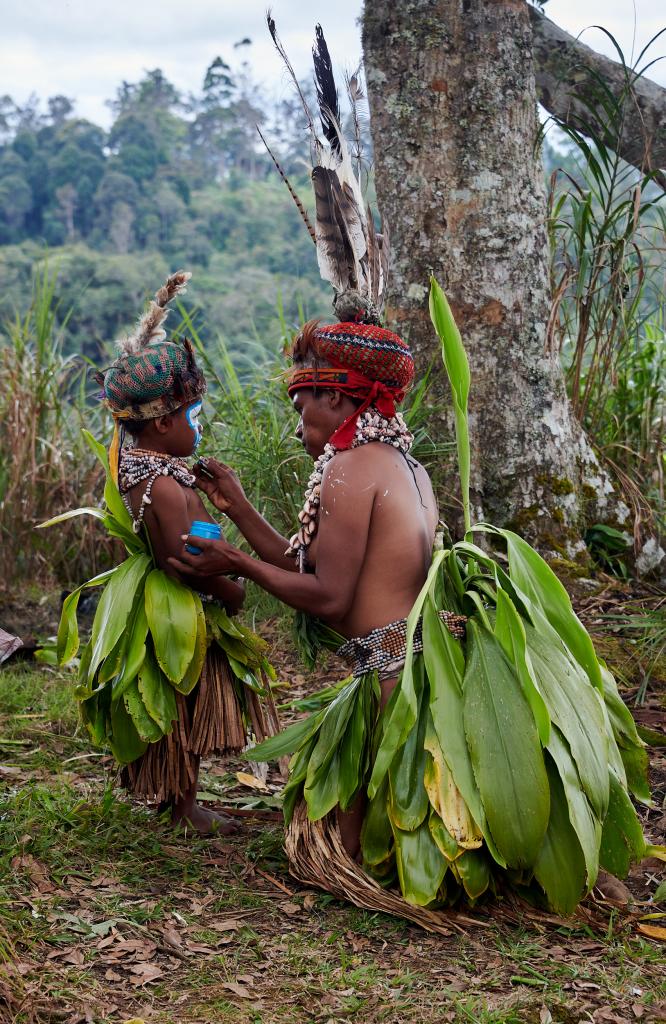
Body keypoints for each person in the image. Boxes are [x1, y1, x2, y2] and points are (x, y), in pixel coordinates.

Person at [53, 272, 279, 835]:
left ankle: (179, 801)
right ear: (160, 422)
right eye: (192, 417)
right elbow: (191, 562)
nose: (198, 427)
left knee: (177, 708)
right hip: (183, 612)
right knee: (180, 706)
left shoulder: (142, 475)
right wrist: (235, 588)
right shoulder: (170, 490)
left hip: (171, 605)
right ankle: (184, 808)